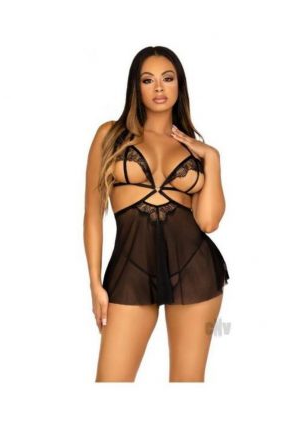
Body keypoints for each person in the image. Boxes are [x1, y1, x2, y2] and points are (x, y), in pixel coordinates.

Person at [84, 46, 230, 382]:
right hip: (130, 272)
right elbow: (92, 215)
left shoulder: (193, 149)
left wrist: (212, 157)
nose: (159, 87)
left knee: (187, 385)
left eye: (168, 78)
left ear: (180, 84)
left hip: (194, 270)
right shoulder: (110, 135)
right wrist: (95, 283)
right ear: (136, 87)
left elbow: (208, 222)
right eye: (148, 80)